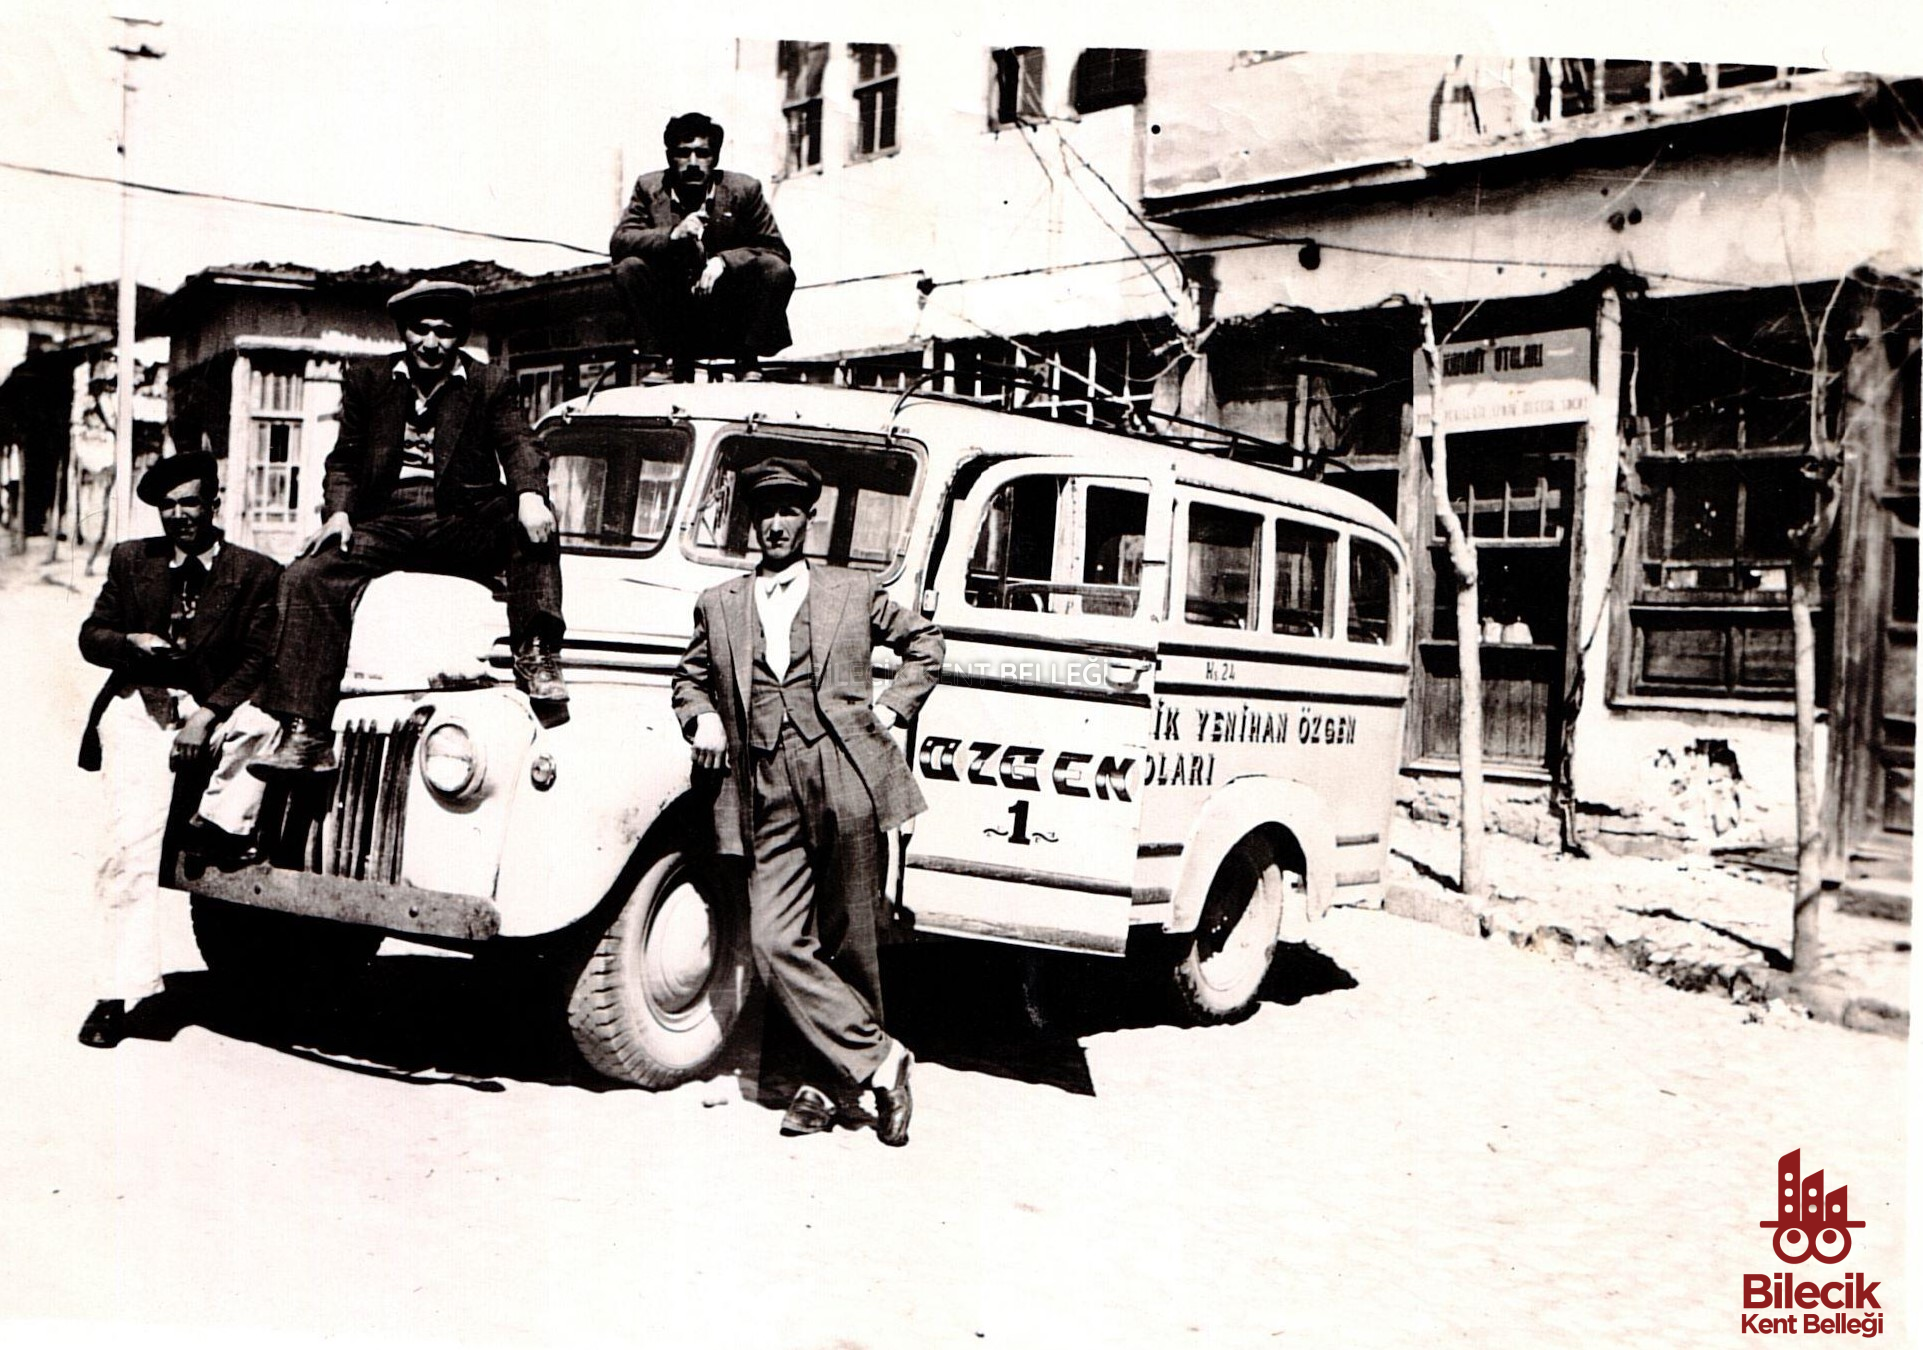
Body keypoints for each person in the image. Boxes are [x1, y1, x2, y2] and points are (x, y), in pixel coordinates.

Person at [671, 458, 942, 1145]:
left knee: (852, 938)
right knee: (774, 938)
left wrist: (894, 709)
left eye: (790, 511)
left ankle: (825, 1088)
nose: (776, 524)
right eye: (765, 512)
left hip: (844, 770)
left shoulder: (853, 591)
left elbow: (924, 645)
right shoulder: (721, 601)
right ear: (750, 522)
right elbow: (690, 679)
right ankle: (881, 1061)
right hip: (764, 782)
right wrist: (698, 716)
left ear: (807, 518)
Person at [251, 279, 567, 774]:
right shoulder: (367, 379)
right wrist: (339, 512)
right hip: (386, 518)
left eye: (444, 333)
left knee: (534, 526)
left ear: (459, 336)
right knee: (306, 575)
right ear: (404, 331)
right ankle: (307, 732)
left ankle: (538, 652)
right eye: (421, 330)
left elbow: (520, 444)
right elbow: (346, 460)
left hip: (460, 520)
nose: (431, 344)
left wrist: (529, 494)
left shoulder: (491, 383)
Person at [76, 451, 282, 1048]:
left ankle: (210, 826)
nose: (179, 515)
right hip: (145, 704)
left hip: (213, 707)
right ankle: (119, 993)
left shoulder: (255, 572)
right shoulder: (131, 561)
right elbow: (92, 636)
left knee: (263, 722)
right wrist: (130, 642)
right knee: (126, 852)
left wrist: (210, 714)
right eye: (168, 506)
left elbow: (258, 659)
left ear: (215, 503)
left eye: (191, 502)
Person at [610, 111, 795, 382]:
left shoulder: (745, 189)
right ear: (669, 157)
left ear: (716, 157)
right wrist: (672, 234)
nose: (693, 163)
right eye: (683, 154)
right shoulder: (649, 188)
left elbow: (776, 250)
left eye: (703, 153)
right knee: (628, 268)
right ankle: (662, 359)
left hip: (728, 311)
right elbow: (620, 241)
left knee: (775, 269)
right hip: (674, 310)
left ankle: (747, 358)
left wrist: (724, 261)